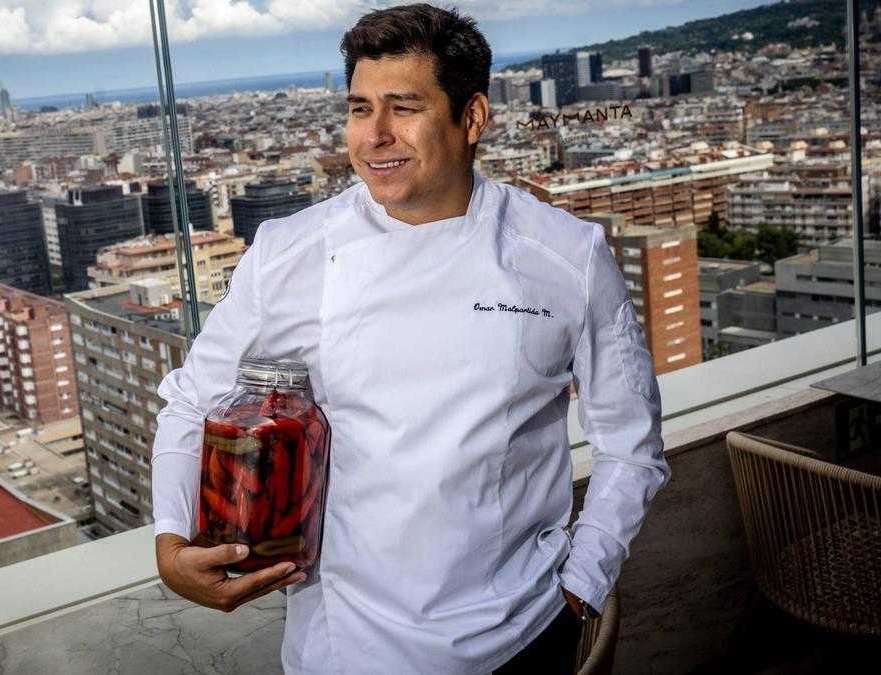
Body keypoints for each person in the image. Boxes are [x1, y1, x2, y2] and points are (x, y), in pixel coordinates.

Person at [152, 4, 671, 673]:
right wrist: (170, 547)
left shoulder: (566, 257)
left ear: (473, 117)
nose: (376, 135)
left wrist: (582, 584)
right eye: (360, 108)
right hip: (342, 647)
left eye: (404, 106)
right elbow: (192, 401)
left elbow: (631, 441)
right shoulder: (289, 253)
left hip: (517, 638)